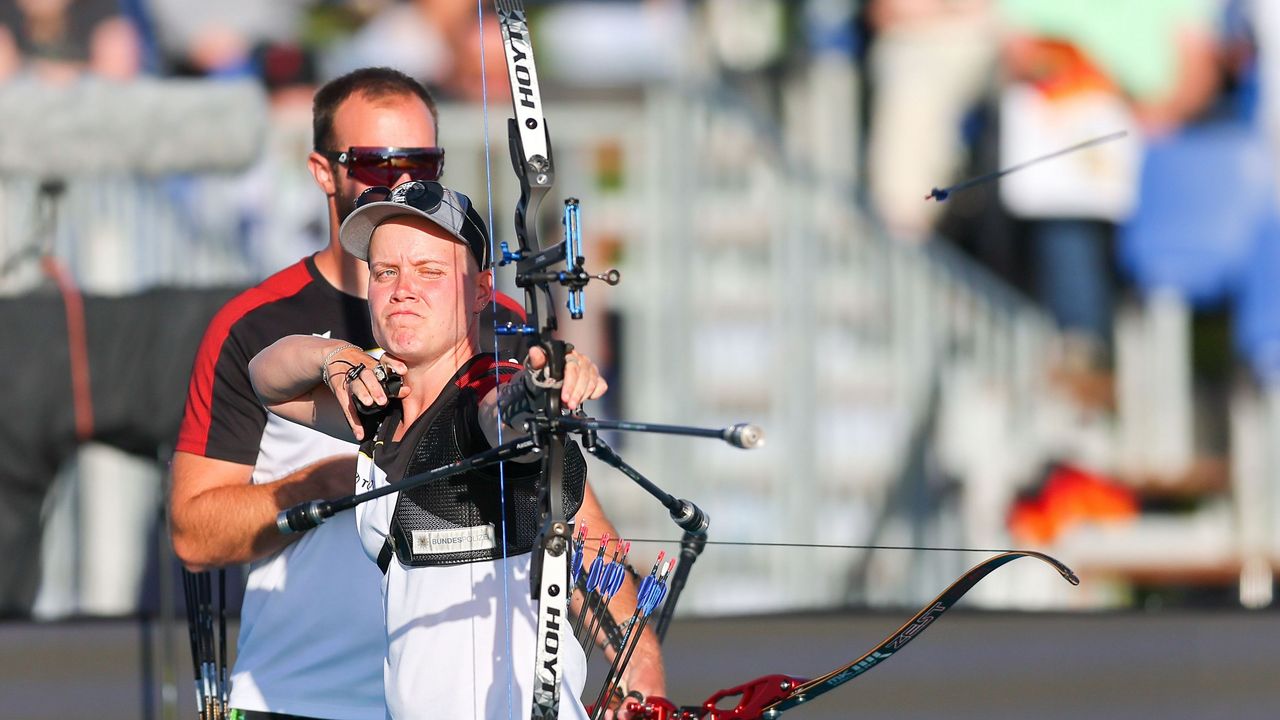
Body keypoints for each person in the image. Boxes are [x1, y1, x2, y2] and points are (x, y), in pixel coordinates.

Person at [171, 67, 663, 720]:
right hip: (300, 700)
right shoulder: (266, 332)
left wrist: (639, 660)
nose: (402, 181)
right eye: (377, 164)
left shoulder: (503, 337)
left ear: (476, 288)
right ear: (324, 171)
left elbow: (570, 521)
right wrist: (341, 476)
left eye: (422, 162)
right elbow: (195, 533)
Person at [247, 180, 601, 719]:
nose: (401, 289)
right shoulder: (379, 407)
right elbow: (267, 380)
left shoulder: (482, 393)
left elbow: (502, 417)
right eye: (386, 272)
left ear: (481, 291)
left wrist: (538, 391)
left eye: (431, 272)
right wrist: (333, 357)